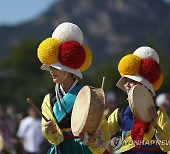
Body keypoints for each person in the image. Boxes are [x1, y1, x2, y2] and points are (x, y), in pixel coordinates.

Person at [38, 22, 121, 154]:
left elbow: (103, 134)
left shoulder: (90, 95)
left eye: (55, 67)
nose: (51, 70)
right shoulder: (49, 99)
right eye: (50, 67)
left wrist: (93, 140)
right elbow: (46, 132)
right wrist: (51, 131)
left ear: (68, 69)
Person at [114, 46, 170, 153]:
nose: (127, 84)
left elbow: (169, 146)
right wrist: (90, 137)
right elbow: (101, 142)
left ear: (144, 86)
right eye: (126, 81)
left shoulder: (158, 114)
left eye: (132, 81)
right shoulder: (119, 113)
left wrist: (156, 127)